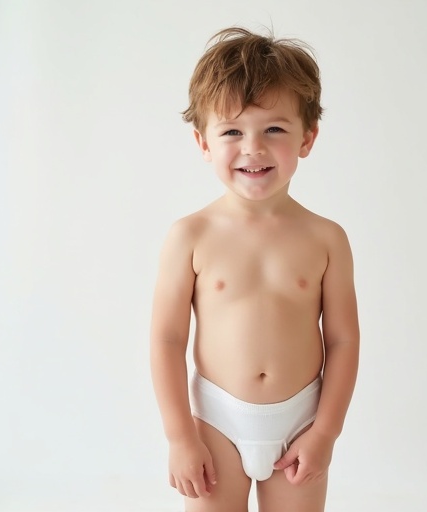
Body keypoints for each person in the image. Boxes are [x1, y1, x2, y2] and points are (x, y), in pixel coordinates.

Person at [150, 26, 360, 512]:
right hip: (217, 422)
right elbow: (166, 340)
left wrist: (325, 433)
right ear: (203, 142)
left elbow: (344, 341)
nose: (253, 148)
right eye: (232, 132)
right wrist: (180, 437)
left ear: (307, 138)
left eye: (274, 129)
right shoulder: (190, 236)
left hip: (301, 422)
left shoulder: (327, 238)